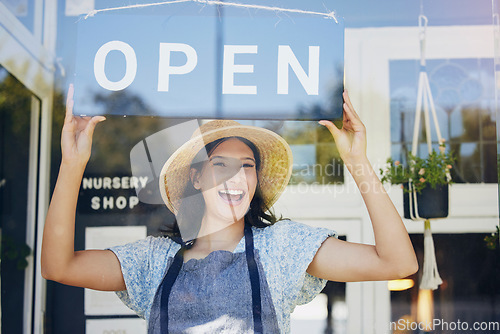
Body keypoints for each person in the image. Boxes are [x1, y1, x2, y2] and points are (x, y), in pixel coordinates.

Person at [41, 85, 418, 333]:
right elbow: (58, 266)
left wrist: (357, 163)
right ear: (197, 179)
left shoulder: (281, 248)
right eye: (220, 165)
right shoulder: (153, 262)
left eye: (247, 166)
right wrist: (72, 164)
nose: (236, 178)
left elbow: (398, 263)